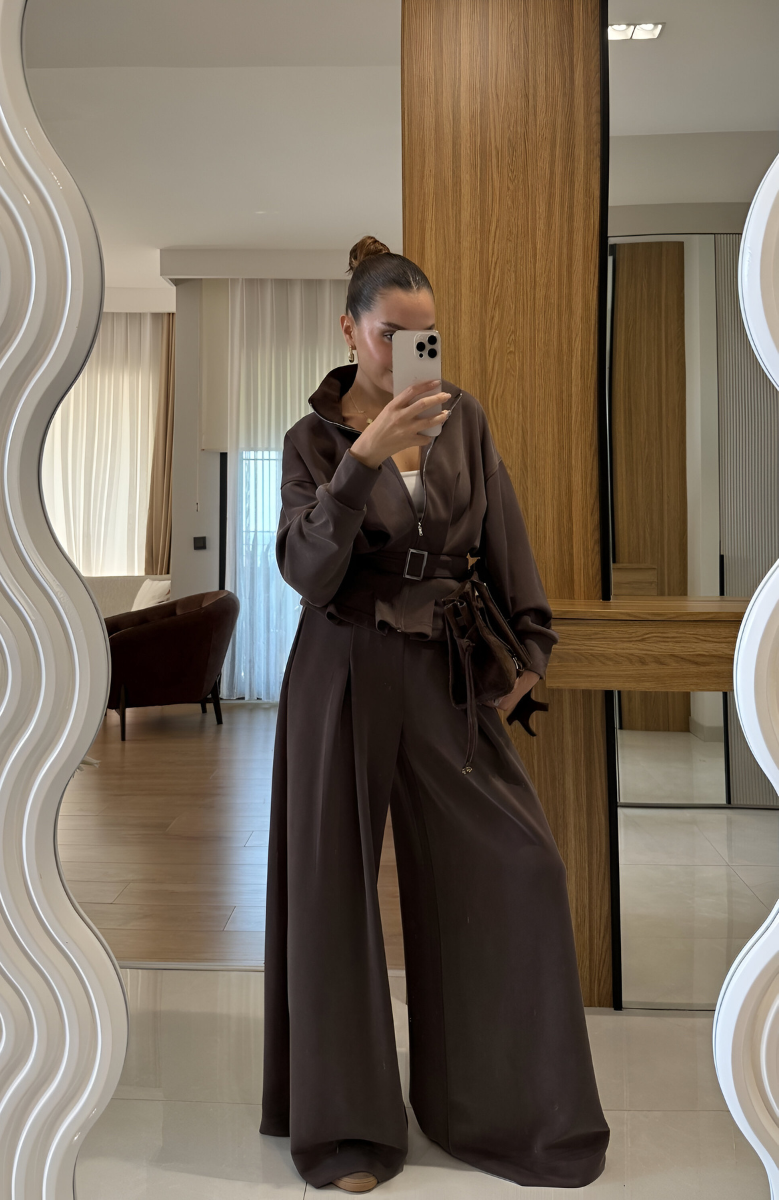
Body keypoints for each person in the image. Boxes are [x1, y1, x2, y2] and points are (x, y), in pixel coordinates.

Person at [260, 236, 609, 1193]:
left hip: (445, 668)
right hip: (341, 665)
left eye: (428, 335)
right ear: (350, 331)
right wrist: (364, 458)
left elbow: (504, 531)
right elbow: (307, 571)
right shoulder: (311, 443)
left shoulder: (465, 419)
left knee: (520, 869)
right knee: (333, 892)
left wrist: (531, 647)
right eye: (393, 334)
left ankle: (494, 1112)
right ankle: (347, 1134)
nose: (414, 353)